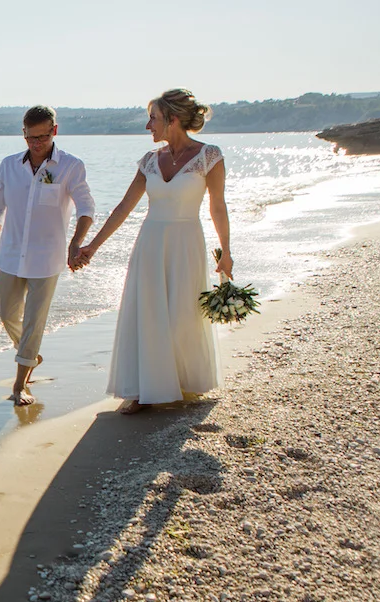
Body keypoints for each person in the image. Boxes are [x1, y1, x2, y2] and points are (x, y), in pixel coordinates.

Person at [75, 89, 231, 415]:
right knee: (147, 312)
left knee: (184, 315)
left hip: (187, 242)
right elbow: (123, 208)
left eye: (154, 118)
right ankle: (142, 389)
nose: (149, 126)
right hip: (150, 243)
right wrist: (92, 246)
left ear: (172, 119)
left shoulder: (209, 156)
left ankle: (184, 383)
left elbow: (218, 207)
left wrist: (226, 252)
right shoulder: (149, 162)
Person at [0, 105, 95, 406]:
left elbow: (87, 209)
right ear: (23, 133)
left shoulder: (71, 166)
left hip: (47, 259)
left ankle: (20, 385)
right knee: (7, 314)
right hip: (9, 256)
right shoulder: (8, 165)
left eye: (43, 137)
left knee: (34, 322)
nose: (36, 144)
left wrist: (77, 243)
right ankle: (30, 354)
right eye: (31, 137)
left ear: (54, 131)